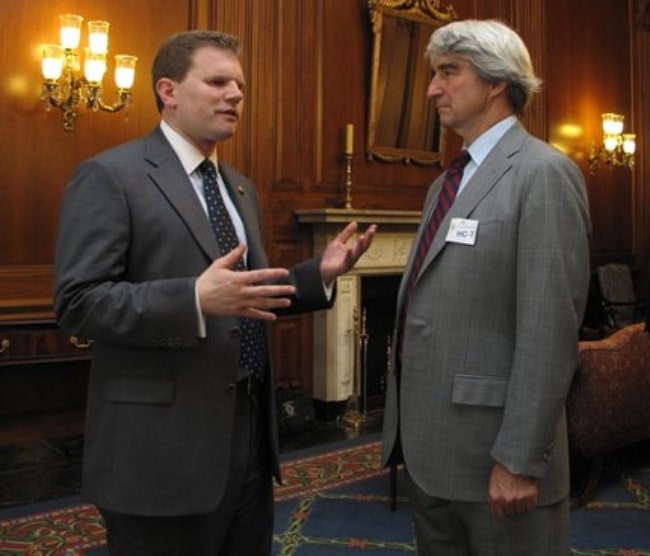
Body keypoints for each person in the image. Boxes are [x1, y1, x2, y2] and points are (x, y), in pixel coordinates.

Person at [53, 29, 376, 555]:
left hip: (247, 438)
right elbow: (78, 302)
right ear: (168, 90)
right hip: (160, 449)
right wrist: (192, 301)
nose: (235, 95)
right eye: (218, 81)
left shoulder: (239, 188)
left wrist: (321, 273)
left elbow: (249, 294)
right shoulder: (111, 176)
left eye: (241, 86)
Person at [381, 19, 590, 555]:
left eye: (449, 72)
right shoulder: (444, 183)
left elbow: (549, 329)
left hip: (500, 459)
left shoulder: (543, 173)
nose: (431, 88)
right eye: (433, 74)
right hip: (431, 456)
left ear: (496, 82)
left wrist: (519, 458)